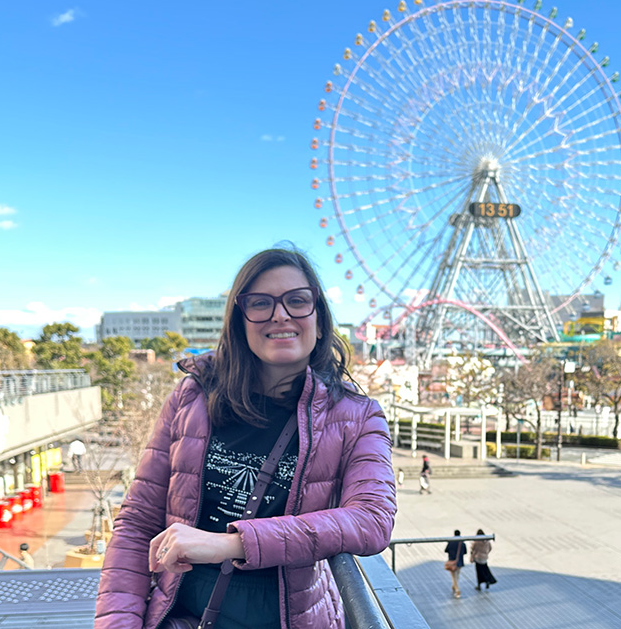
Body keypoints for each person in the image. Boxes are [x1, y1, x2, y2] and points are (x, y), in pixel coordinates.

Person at [95, 247, 397, 629]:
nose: (280, 314)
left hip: (290, 616)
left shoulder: (356, 415)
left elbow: (371, 519)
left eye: (297, 301)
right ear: (240, 320)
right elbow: (138, 523)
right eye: (260, 303)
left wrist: (231, 543)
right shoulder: (193, 395)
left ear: (319, 317)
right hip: (183, 614)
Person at [444, 529, 467, 599]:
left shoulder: (451, 542)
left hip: (452, 561)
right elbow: (465, 552)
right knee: (457, 575)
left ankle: (457, 590)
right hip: (459, 562)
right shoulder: (462, 543)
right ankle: (454, 586)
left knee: (454, 576)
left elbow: (446, 550)